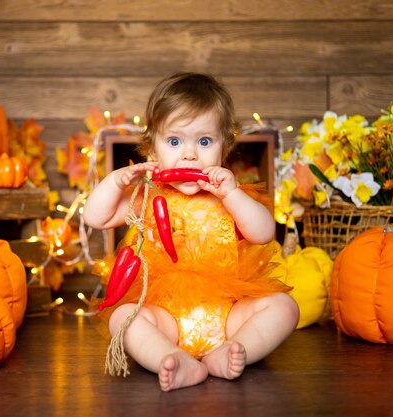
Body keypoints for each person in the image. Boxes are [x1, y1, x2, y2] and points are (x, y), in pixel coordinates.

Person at [83, 72, 299, 391]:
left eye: (204, 141)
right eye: (174, 141)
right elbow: (95, 217)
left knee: (284, 307)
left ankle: (233, 350)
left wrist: (232, 194)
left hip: (227, 316)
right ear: (151, 150)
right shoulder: (147, 196)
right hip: (166, 316)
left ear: (224, 147)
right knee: (123, 318)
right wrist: (114, 181)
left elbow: (264, 232)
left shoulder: (230, 195)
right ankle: (169, 357)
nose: (189, 154)